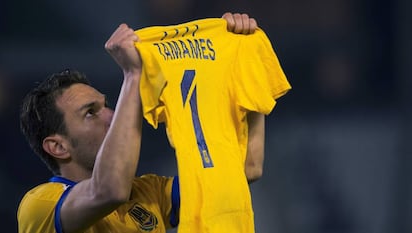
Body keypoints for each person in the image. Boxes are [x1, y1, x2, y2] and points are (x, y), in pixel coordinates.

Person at [17, 13, 261, 233]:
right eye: (90, 113)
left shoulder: (148, 192)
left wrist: (246, 71)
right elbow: (109, 191)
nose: (113, 116)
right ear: (58, 147)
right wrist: (134, 76)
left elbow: (242, 171)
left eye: (106, 105)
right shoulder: (40, 205)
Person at [134, 12, 291, 232]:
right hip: (230, 210)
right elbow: (252, 169)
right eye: (90, 112)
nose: (108, 116)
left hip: (207, 209)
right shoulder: (77, 197)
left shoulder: (143, 51)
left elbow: (252, 169)